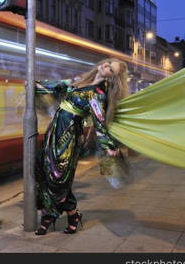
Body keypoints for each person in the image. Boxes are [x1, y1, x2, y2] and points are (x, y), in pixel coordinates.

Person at [34, 58, 129, 235]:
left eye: (111, 69)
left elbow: (100, 123)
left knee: (57, 177)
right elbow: (58, 85)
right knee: (43, 172)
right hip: (53, 132)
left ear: (112, 77)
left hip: (68, 138)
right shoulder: (81, 80)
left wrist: (109, 148)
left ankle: (63, 215)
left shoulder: (97, 94)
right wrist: (34, 85)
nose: (105, 66)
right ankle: (58, 215)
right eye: (107, 63)